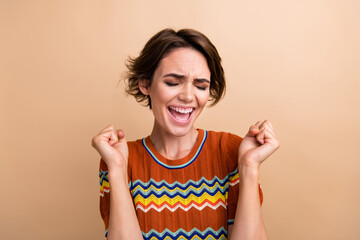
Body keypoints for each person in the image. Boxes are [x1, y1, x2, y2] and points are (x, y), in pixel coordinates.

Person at [91, 28, 280, 240]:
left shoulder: (232, 152)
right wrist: (116, 169)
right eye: (173, 82)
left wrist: (249, 167)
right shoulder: (120, 159)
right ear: (145, 84)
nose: (188, 96)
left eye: (200, 86)